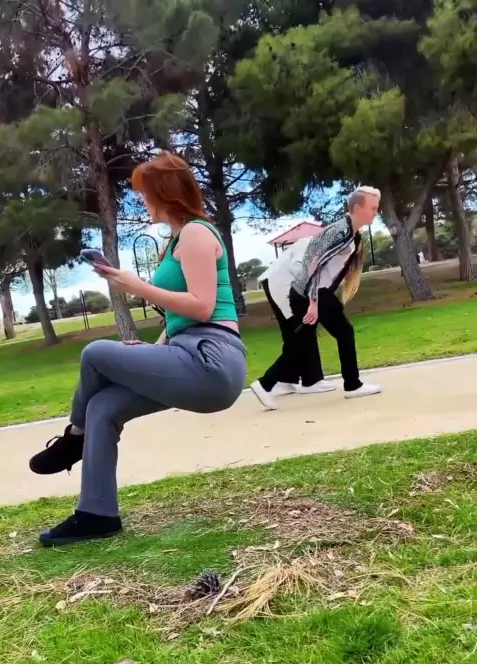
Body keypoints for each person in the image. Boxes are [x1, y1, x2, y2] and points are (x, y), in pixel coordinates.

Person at [29, 152, 246, 547]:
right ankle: (96, 514)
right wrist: (152, 350)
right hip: (186, 353)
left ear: (165, 192)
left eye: (145, 193)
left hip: (212, 360)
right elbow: (178, 319)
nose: (141, 200)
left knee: (94, 353)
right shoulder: (175, 242)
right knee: (103, 406)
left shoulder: (198, 234)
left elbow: (202, 307)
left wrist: (135, 286)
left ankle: (74, 437)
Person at [252, 187, 382, 409]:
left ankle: (266, 383)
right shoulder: (341, 232)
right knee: (341, 333)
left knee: (302, 343)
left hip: (310, 293)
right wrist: (313, 302)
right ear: (357, 207)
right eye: (373, 208)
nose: (376, 213)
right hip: (310, 293)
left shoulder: (349, 232)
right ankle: (352, 385)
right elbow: (314, 264)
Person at [251, 238, 336, 410]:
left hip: (283, 281)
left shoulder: (322, 241)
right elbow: (302, 269)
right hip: (283, 284)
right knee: (302, 332)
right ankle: (266, 383)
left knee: (299, 331)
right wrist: (313, 298)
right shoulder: (321, 242)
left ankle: (295, 379)